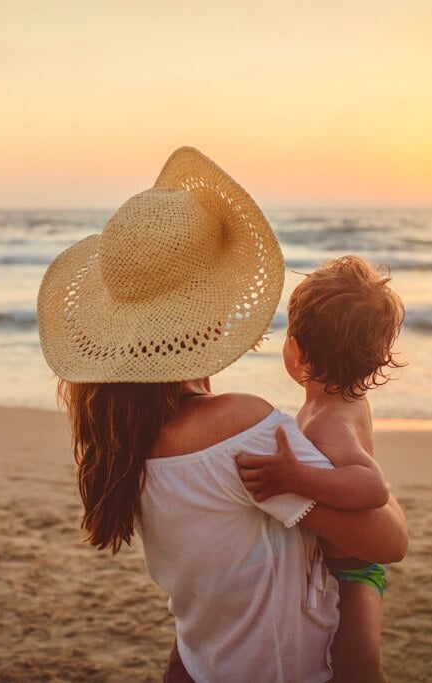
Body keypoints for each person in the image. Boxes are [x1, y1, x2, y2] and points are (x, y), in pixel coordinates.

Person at [37, 147, 408, 682]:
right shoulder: (240, 428)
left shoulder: (122, 437)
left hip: (202, 660)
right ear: (210, 319)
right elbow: (387, 542)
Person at [236, 255, 406, 683]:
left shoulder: (330, 420)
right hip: (338, 564)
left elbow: (371, 487)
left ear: (296, 349)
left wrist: (297, 478)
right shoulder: (337, 402)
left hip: (353, 572)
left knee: (360, 670)